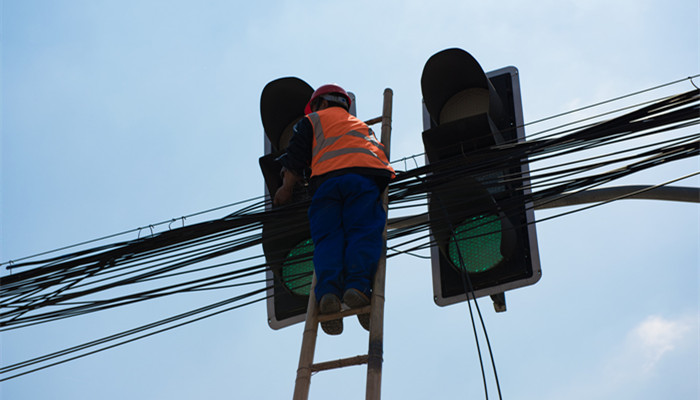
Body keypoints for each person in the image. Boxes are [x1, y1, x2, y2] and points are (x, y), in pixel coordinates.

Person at [273, 84, 395, 335]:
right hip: (362, 180)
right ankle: (358, 288)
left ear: (322, 104)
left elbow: (295, 156)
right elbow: (379, 157)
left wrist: (286, 189)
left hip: (326, 185)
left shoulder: (312, 120)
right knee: (362, 232)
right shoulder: (362, 127)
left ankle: (328, 293)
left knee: (328, 239)